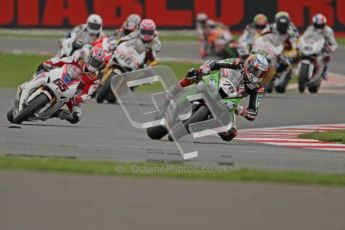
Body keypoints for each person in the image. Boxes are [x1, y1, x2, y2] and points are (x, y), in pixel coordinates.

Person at [173, 54, 269, 141]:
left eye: (261, 73)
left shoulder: (258, 88)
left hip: (229, 101)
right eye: (256, 70)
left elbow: (253, 113)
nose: (257, 74)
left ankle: (213, 124)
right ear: (249, 65)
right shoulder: (237, 63)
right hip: (215, 83)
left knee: (231, 134)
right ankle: (173, 93)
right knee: (193, 73)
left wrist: (242, 110)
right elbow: (215, 63)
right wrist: (206, 67)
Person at [28, 47, 106, 123]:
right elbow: (61, 60)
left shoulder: (96, 79)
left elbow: (87, 93)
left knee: (76, 118)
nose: (94, 65)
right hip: (61, 77)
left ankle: (57, 113)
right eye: (94, 61)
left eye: (97, 63)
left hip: (72, 94)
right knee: (43, 72)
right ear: (88, 58)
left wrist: (78, 98)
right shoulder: (77, 59)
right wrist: (48, 63)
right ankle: (28, 86)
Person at [302, 13, 338, 80]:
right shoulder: (310, 28)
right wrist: (300, 43)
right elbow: (303, 37)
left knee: (327, 56)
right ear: (314, 23)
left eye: (320, 25)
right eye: (317, 25)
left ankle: (325, 70)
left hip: (322, 47)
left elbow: (334, 44)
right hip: (310, 45)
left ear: (324, 24)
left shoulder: (328, 30)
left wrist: (330, 48)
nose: (319, 27)